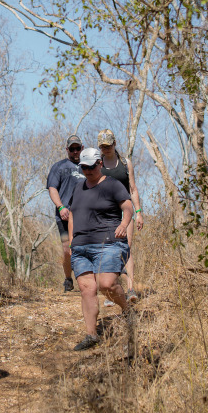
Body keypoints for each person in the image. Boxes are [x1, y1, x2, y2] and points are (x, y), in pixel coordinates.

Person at [67, 148, 134, 351]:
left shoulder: (112, 185)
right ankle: (91, 334)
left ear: (100, 164)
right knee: (87, 289)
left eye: (91, 167)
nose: (88, 171)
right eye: (84, 167)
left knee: (106, 283)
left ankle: (127, 310)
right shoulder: (78, 188)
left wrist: (123, 225)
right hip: (81, 247)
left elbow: (128, 206)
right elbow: (71, 214)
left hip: (108, 243)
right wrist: (71, 241)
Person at [97, 129, 145, 303]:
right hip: (104, 214)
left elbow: (133, 188)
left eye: (108, 145)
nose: (106, 149)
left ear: (114, 143)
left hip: (125, 212)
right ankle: (113, 291)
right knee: (106, 251)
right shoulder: (98, 164)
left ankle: (131, 289)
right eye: (102, 146)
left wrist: (138, 212)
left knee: (126, 248)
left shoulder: (125, 163)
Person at [47, 134, 86, 292]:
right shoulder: (59, 167)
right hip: (64, 216)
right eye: (72, 149)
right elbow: (52, 188)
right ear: (67, 150)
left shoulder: (89, 166)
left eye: (78, 148)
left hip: (85, 216)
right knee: (67, 249)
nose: (75, 152)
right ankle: (68, 279)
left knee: (86, 247)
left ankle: (87, 281)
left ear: (82, 148)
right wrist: (60, 207)